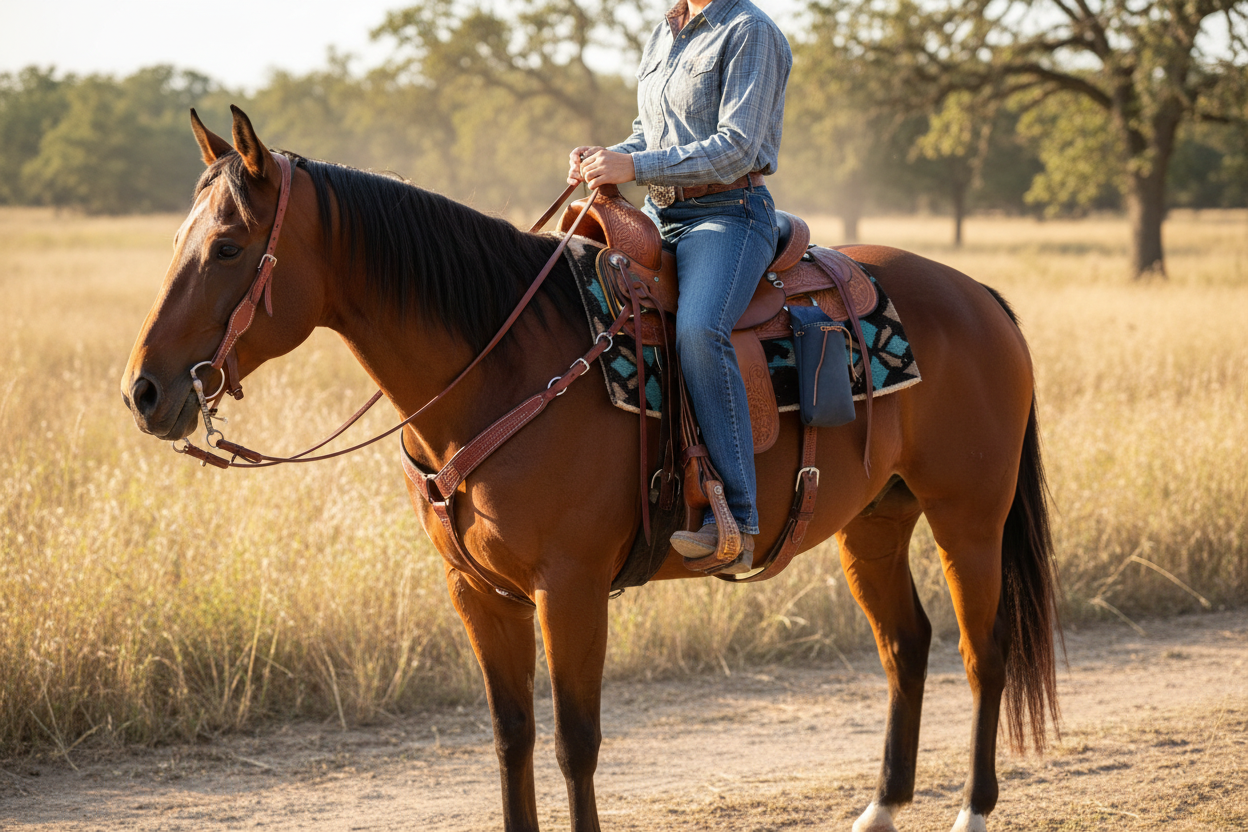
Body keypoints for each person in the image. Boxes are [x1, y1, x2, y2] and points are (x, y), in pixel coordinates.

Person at [568, 0, 792, 570]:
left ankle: (737, 518)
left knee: (698, 329)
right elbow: (650, 132)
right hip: (659, 215)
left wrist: (634, 168)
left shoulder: (750, 32)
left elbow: (737, 146)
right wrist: (609, 158)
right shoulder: (664, 31)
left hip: (729, 215)